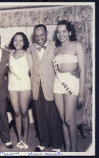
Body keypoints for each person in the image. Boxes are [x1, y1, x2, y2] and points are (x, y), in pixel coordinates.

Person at [28, 24, 63, 152]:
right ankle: (43, 141)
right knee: (39, 115)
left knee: (53, 116)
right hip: (36, 87)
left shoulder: (56, 46)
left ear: (47, 33)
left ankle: (57, 144)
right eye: (36, 36)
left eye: (41, 35)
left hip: (52, 86)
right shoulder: (30, 48)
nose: (39, 38)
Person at [53, 20, 85, 152]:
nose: (61, 34)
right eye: (58, 32)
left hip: (72, 82)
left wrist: (81, 93)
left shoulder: (77, 45)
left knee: (69, 120)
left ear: (70, 32)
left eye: (64, 31)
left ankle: (73, 150)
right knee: (62, 119)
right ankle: (67, 150)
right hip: (58, 83)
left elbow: (83, 69)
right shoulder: (56, 49)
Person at [7, 32, 33, 149]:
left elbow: (32, 73)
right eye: (15, 40)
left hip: (25, 86)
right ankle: (19, 138)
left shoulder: (28, 54)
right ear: (13, 41)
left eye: (20, 40)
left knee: (23, 112)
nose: (18, 42)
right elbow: (9, 72)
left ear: (24, 42)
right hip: (12, 86)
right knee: (16, 112)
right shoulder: (10, 53)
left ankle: (26, 137)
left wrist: (33, 90)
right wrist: (8, 88)